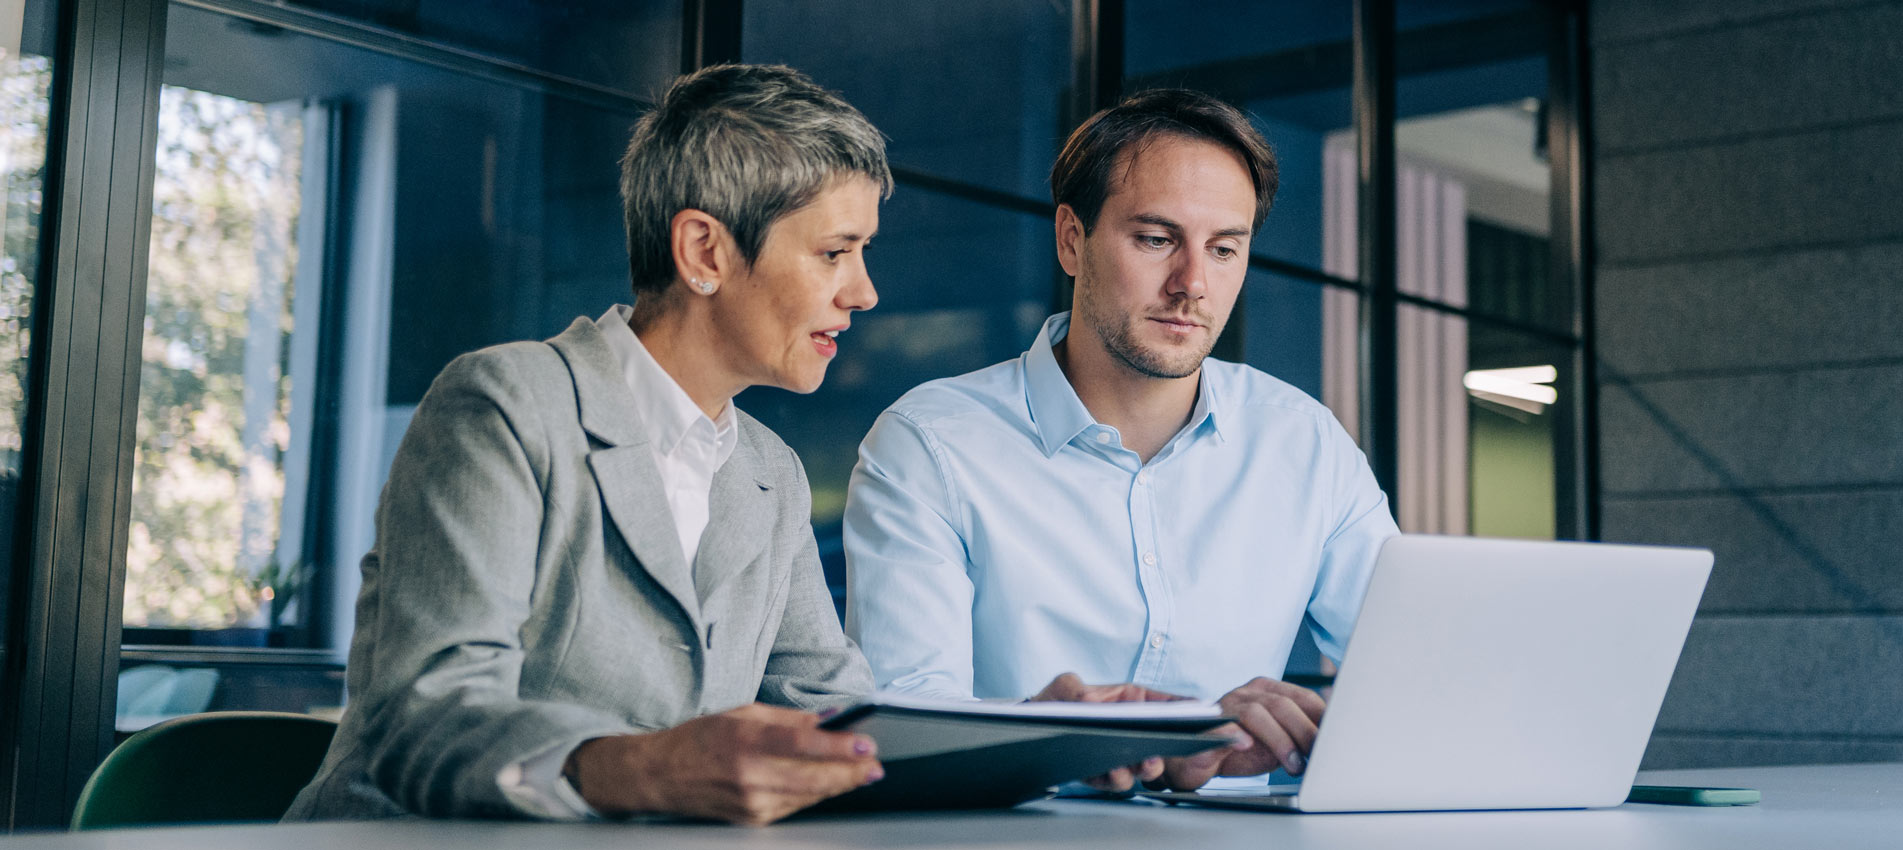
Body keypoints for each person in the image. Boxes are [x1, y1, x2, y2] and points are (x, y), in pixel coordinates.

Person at [286, 64, 891, 825]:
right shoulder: (505, 406)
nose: (863, 292)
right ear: (704, 252)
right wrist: (650, 768)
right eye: (835, 253)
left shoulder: (772, 471)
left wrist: (1009, 738)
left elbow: (838, 718)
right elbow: (429, 715)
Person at [842, 89, 1400, 792]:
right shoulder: (931, 444)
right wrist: (1069, 739)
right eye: (1156, 240)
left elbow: (1414, 672)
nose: (1192, 284)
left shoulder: (1303, 441)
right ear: (1071, 240)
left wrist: (1315, 735)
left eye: (1223, 249)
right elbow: (904, 729)